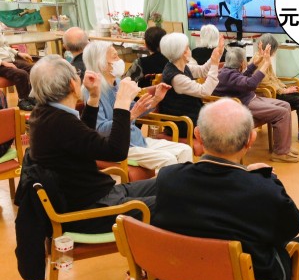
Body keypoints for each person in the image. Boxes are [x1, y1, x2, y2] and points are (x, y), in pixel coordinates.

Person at [152, 98, 299, 280]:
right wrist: (270, 181)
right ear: (250, 140)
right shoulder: (261, 190)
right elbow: (292, 226)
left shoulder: (168, 178)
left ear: (198, 136)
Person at [27, 55, 156, 233]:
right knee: (173, 202)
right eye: (77, 73)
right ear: (72, 84)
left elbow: (82, 140)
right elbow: (116, 152)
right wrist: (122, 103)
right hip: (91, 210)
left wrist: (94, 98)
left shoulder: (45, 114)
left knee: (168, 182)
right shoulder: (60, 122)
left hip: (97, 195)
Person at [82, 41, 193, 171]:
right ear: (101, 63)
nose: (119, 60)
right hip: (119, 146)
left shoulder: (117, 82)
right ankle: (164, 185)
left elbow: (135, 109)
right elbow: (100, 129)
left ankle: (183, 185)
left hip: (137, 139)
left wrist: (156, 100)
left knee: (185, 150)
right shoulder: (92, 90)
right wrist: (131, 116)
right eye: (114, 57)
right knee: (168, 159)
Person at [212, 45, 298, 163]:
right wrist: (266, 63)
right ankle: (280, 153)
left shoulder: (228, 71)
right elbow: (251, 84)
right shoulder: (227, 75)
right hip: (243, 104)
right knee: (282, 113)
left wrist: (255, 63)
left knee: (285, 105)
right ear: (242, 63)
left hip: (249, 99)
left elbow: (242, 78)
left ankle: (284, 146)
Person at [257, 33, 299, 144]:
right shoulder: (259, 61)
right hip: (270, 94)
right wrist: (284, 90)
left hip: (276, 91)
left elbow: (274, 78)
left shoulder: (266, 59)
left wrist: (285, 87)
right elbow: (265, 83)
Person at [159, 32, 223, 138]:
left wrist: (217, 54)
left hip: (191, 116)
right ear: (183, 52)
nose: (189, 50)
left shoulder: (181, 66)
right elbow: (205, 91)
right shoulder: (176, 77)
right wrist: (215, 63)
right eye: (187, 47)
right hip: (183, 123)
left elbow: (202, 71)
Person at [0, 31, 35, 110]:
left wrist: (18, 53)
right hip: (1, 64)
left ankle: (30, 96)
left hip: (10, 60)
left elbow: (5, 47)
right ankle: (22, 100)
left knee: (34, 69)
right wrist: (3, 63)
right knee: (21, 74)